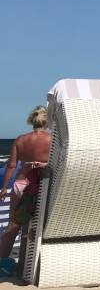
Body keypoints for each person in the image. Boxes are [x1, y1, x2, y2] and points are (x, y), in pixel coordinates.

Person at [0, 106, 53, 263]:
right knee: (33, 226)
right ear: (47, 121)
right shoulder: (51, 140)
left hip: (20, 184)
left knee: (13, 225)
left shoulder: (20, 139)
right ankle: (24, 263)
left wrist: (4, 188)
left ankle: (2, 262)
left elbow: (11, 165)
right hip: (40, 185)